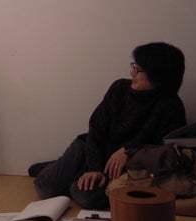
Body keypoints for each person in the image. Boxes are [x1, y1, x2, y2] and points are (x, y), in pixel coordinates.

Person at [31, 42, 186, 209]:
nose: (132, 73)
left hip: (118, 169)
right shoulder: (119, 89)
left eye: (138, 69)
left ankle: (67, 171)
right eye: (133, 67)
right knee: (45, 188)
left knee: (85, 197)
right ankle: (62, 168)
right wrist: (94, 169)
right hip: (90, 149)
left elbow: (166, 151)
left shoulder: (172, 107)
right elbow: (97, 129)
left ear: (158, 75)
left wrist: (130, 151)